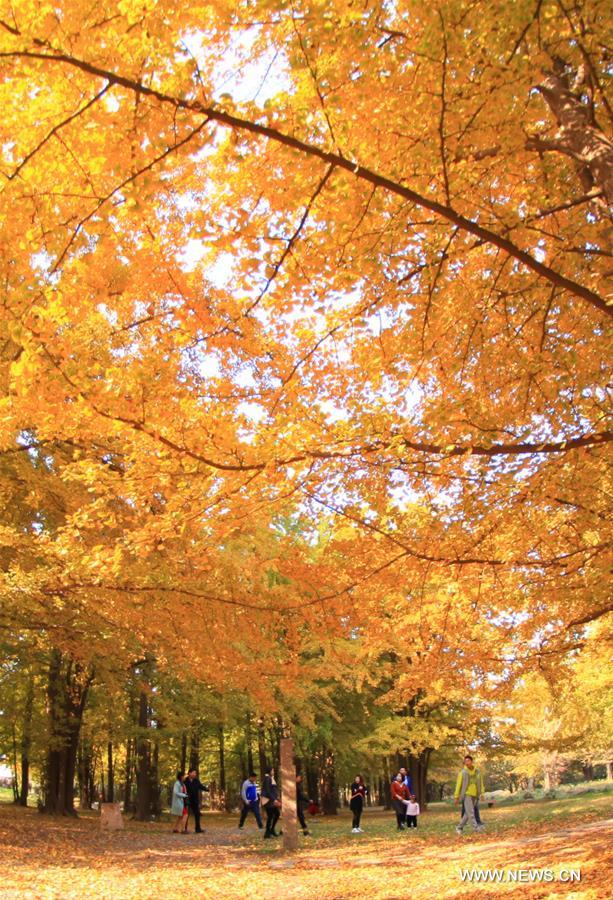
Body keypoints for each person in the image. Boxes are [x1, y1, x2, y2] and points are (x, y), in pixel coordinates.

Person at [454, 754, 485, 834]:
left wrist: (482, 793)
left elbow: (481, 783)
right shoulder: (462, 773)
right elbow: (458, 785)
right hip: (467, 794)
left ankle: (459, 827)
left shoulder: (477, 772)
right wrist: (456, 796)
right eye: (465, 761)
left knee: (467, 813)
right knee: (471, 812)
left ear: (471, 761)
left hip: (475, 795)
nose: (466, 762)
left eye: (468, 761)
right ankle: (476, 829)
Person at [184, 768, 210, 834]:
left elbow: (201, 786)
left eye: (195, 773)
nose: (195, 774)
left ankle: (198, 829)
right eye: (194, 773)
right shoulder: (185, 781)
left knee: (197, 814)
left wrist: (207, 789)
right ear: (189, 773)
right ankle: (184, 829)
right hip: (187, 799)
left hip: (195, 800)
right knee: (186, 815)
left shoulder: (196, 781)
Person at [261, 765, 281, 838]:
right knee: (272, 816)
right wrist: (274, 799)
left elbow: (273, 790)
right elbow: (268, 791)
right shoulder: (267, 779)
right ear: (269, 771)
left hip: (271, 800)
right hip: (268, 801)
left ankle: (270, 831)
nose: (273, 772)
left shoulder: (270, 778)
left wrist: (277, 797)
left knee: (275, 814)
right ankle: (268, 833)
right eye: (272, 770)